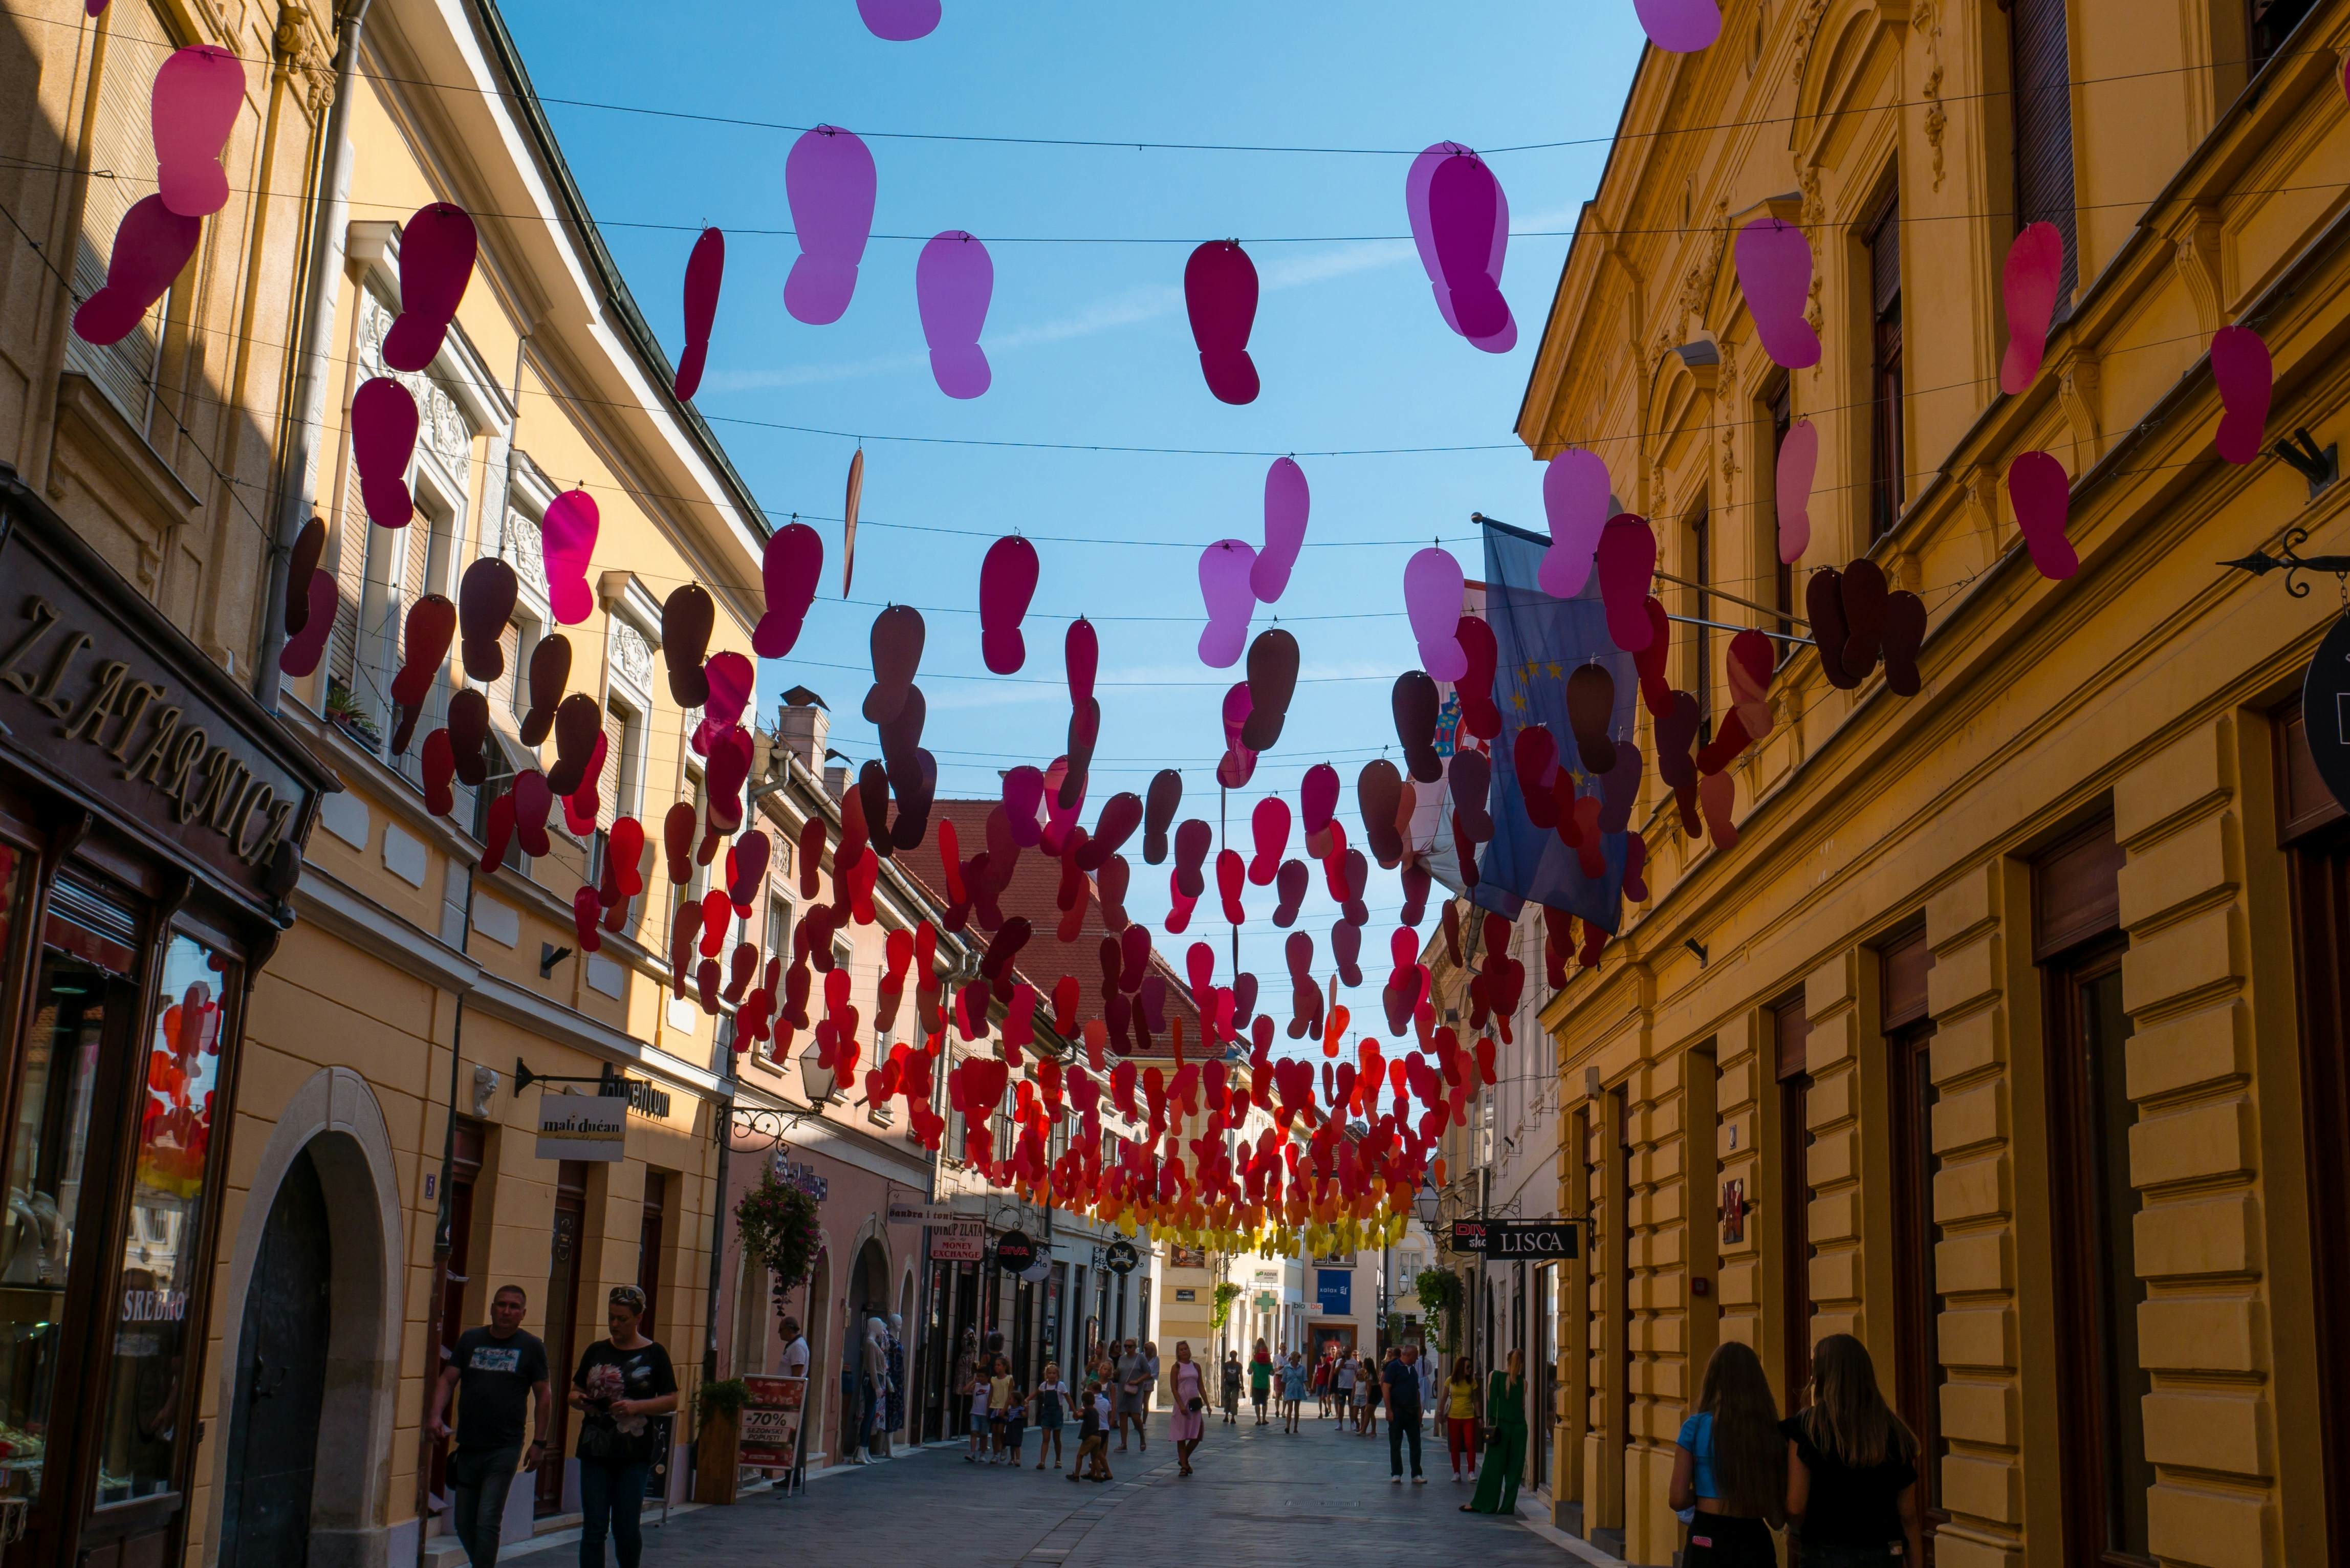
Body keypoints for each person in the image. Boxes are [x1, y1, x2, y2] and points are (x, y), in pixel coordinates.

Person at [428, 1283, 551, 1568]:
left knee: (487, 1520)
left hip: (505, 1447)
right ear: (492, 1308)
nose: (506, 1311)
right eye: (501, 1304)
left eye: (513, 1307)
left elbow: (544, 1395)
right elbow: (448, 1380)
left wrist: (539, 1442)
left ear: (523, 1314)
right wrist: (435, 1416)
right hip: (469, 1445)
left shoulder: (531, 1346)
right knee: (462, 1522)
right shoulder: (471, 1340)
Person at [1782, 1334, 1924, 1567]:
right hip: (1883, 1555)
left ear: (1822, 1376)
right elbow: (1908, 1515)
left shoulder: (1807, 1428)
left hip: (1825, 1554)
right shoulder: (1894, 1432)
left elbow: (1796, 1507)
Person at [570, 1285, 678, 1568]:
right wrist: (580, 1401)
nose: (615, 1325)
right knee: (593, 1528)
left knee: (626, 1528)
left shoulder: (655, 1354)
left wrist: (636, 1407)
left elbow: (672, 1399)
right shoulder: (596, 1350)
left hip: (633, 1453)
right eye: (612, 1318)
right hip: (594, 1449)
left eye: (622, 1319)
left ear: (639, 1317)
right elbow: (574, 1390)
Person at [1668, 1341, 1787, 1568]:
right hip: (1753, 1538)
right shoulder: (1769, 1432)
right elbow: (1777, 1518)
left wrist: (1704, 1495)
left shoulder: (1695, 1428)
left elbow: (1677, 1498)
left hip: (1707, 1535)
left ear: (1713, 1380)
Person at [1464, 1348, 1527, 1516]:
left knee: (1492, 1468)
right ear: (1522, 1363)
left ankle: (1484, 1503)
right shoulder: (1523, 1382)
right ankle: (1507, 1508)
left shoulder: (1494, 1376)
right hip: (1519, 1429)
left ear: (1507, 1360)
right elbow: (1522, 1406)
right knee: (1514, 1470)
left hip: (1499, 1429)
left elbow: (1492, 1400)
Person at [1383, 1342, 1425, 1484]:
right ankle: (1396, 1473)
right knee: (1396, 1443)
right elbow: (1386, 1388)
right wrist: (1389, 1410)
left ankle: (1416, 1474)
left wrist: (1419, 1413)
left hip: (1412, 1411)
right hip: (1397, 1411)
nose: (1417, 1359)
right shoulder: (1394, 1367)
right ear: (1410, 1355)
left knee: (1416, 1443)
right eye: (1416, 1356)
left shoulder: (1413, 1371)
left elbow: (1417, 1392)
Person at [777, 1316, 811, 1487]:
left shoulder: (797, 1347)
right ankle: (791, 1476)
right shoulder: (793, 1345)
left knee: (791, 1438)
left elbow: (796, 1374)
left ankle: (792, 1477)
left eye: (781, 1330)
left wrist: (789, 1397)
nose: (779, 1333)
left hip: (792, 1399)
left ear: (789, 1329)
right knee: (789, 1438)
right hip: (788, 1397)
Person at [1168, 1341, 1207, 1476]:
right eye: (1181, 1350)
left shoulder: (1196, 1366)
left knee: (1198, 1434)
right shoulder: (1176, 1367)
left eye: (1186, 1349)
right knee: (1182, 1435)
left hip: (1195, 1404)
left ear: (1189, 1350)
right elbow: (1174, 1388)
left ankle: (1183, 1459)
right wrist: (1181, 1405)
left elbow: (1200, 1385)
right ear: (1178, 1353)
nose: (1184, 1351)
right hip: (1182, 1405)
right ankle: (1184, 1466)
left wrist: (1207, 1403)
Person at [1443, 1355, 1481, 1483]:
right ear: (1461, 1368)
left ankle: (1471, 1472)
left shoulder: (1472, 1382)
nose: (1470, 1370)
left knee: (1470, 1444)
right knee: (1455, 1446)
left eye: (1470, 1367)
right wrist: (1440, 1413)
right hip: (1453, 1416)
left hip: (1468, 1416)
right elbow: (1444, 1398)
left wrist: (1479, 1416)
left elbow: (1475, 1400)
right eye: (1468, 1367)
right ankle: (1456, 1472)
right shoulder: (1450, 1381)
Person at [1032, 1361, 1069, 1470]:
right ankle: (1042, 1461)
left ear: (1057, 1375)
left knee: (1057, 1438)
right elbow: (1035, 1393)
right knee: (1046, 1438)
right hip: (1047, 1413)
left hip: (1057, 1413)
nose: (1052, 1375)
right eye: (1050, 1373)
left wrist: (1075, 1411)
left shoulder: (1061, 1386)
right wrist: (1026, 1400)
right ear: (1046, 1375)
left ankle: (1058, 1460)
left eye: (1054, 1373)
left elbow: (1068, 1398)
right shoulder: (1044, 1385)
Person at [1114, 1338, 1148, 1452]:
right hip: (1123, 1390)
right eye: (1126, 1346)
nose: (1127, 1348)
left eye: (1130, 1346)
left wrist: (1137, 1381)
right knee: (1123, 1415)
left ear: (1135, 1347)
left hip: (1136, 1391)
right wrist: (1116, 1374)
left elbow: (1148, 1373)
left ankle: (1142, 1437)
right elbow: (1119, 1373)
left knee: (1135, 1417)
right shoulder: (1122, 1359)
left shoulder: (1140, 1358)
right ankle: (1124, 1443)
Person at [965, 1352, 992, 1463]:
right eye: (979, 1376)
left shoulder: (991, 1387)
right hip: (975, 1413)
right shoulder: (976, 1386)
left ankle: (982, 1454)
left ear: (988, 1377)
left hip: (985, 1414)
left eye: (982, 1377)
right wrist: (973, 1381)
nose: (980, 1379)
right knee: (974, 1432)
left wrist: (989, 1412)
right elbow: (965, 1390)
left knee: (984, 1435)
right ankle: (972, 1453)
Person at [1003, 1369, 1029, 1466]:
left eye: (1010, 1399)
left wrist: (1026, 1410)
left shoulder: (1020, 1408)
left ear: (1016, 1401)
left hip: (1017, 1427)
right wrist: (1005, 1418)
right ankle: (1012, 1459)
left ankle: (1018, 1459)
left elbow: (1024, 1416)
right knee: (1011, 1444)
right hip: (1010, 1427)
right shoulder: (1010, 1409)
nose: (1009, 1400)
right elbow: (1008, 1417)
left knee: (1017, 1444)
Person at [1279, 1351, 1309, 1433]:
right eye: (1298, 1357)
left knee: (1297, 1409)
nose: (1299, 1359)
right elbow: (1284, 1380)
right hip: (1289, 1390)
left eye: (1300, 1357)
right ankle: (1288, 1427)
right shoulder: (1287, 1368)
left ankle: (1295, 1427)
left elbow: (1305, 1379)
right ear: (1293, 1358)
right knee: (1290, 1409)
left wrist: (1308, 1388)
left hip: (1298, 1389)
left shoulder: (1302, 1368)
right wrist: (1283, 1392)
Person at [1249, 1338, 1276, 1425]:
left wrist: (1250, 1370)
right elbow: (1272, 1373)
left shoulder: (1254, 1361)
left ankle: (1259, 1420)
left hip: (1256, 1384)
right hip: (1265, 1385)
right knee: (1265, 1403)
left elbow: (1250, 1372)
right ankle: (1264, 1419)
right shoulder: (1268, 1362)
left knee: (1257, 1403)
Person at [1354, 1353, 1379, 1435]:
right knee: (1371, 1413)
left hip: (1374, 1394)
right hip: (1377, 1393)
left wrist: (1368, 1399)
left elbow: (1369, 1388)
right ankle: (1373, 1431)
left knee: (1368, 1412)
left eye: (1364, 1363)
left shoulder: (1369, 1375)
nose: (1363, 1364)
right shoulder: (1372, 1373)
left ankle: (1363, 1430)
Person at [1332, 1351, 1356, 1426]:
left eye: (1347, 1352)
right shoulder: (1339, 1361)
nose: (1346, 1353)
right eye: (1345, 1352)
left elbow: (1358, 1373)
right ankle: (1340, 1424)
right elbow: (1335, 1372)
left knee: (1351, 1406)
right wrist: (1341, 1365)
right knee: (1341, 1405)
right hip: (1342, 1387)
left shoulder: (1354, 1362)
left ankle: (1352, 1423)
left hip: (1351, 1387)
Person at [1220, 1349, 1242, 1423]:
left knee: (1233, 1401)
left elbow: (1241, 1375)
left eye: (1234, 1356)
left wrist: (1242, 1384)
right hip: (1229, 1384)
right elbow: (1224, 1375)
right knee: (1228, 1400)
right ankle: (1227, 1416)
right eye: (1232, 1356)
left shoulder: (1238, 1365)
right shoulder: (1227, 1365)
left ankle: (1232, 1417)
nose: (1233, 1357)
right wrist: (1222, 1384)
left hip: (1235, 1385)